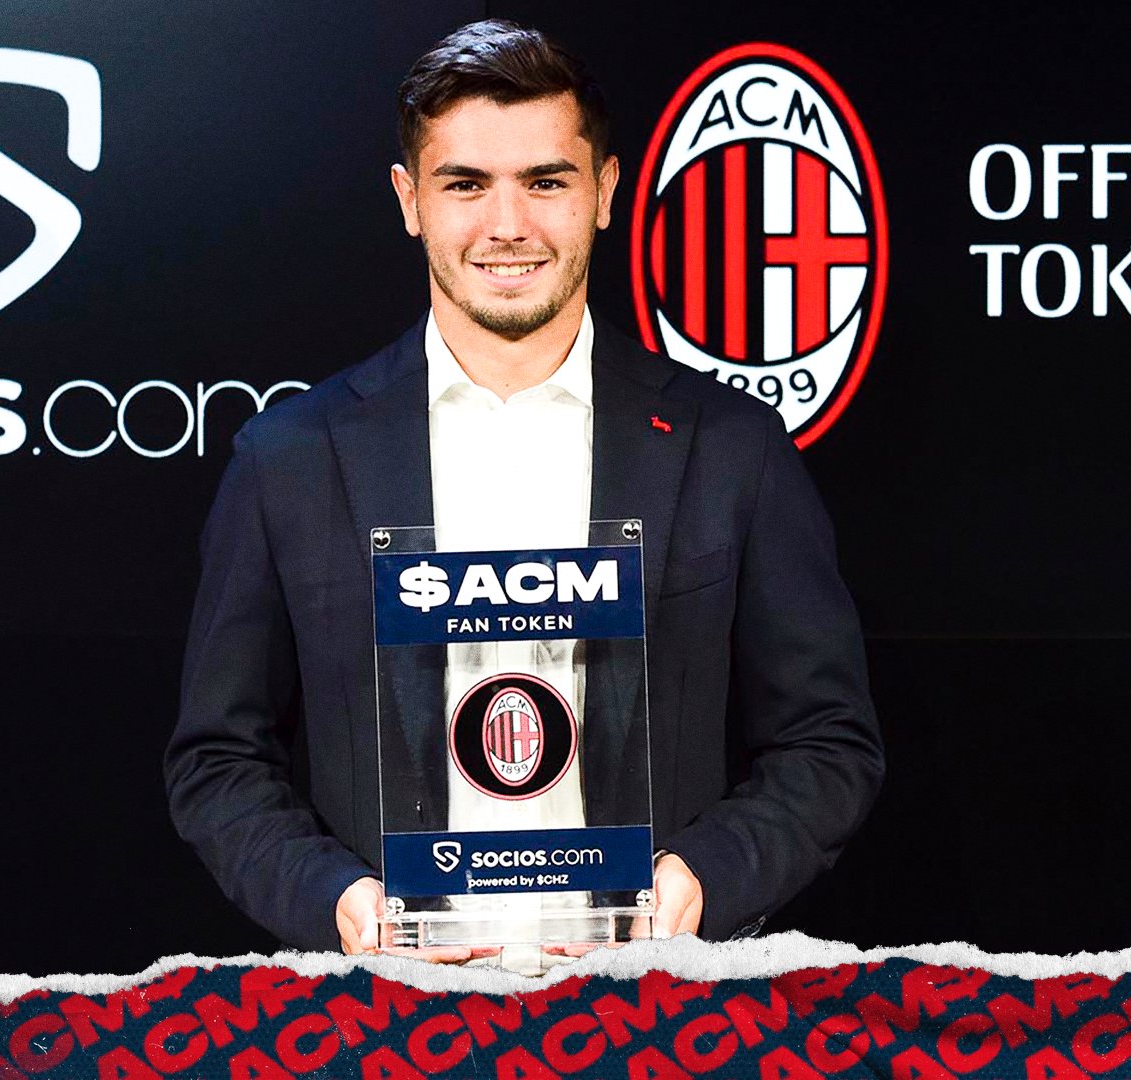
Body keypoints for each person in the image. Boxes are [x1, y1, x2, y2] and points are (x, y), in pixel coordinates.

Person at [164, 19, 883, 957]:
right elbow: (218, 760)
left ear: (605, 192)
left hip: (644, 1000)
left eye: (546, 181)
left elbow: (828, 743)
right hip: (395, 1004)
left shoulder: (730, 445)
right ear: (410, 200)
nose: (508, 226)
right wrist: (338, 900)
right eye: (465, 184)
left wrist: (700, 882)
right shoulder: (290, 459)